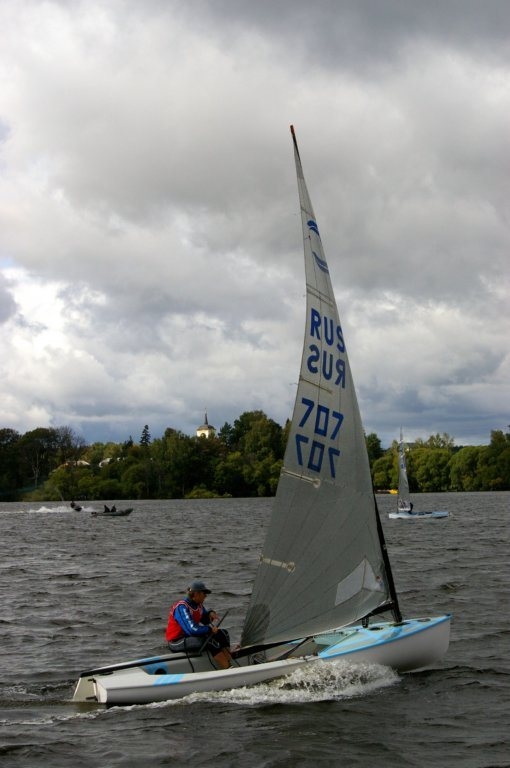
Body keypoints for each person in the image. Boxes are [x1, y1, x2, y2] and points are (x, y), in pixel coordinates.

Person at [165, 580, 232, 669]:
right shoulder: (182, 607)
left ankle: (230, 660)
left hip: (190, 638)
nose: (206, 596)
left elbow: (205, 620)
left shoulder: (199, 605)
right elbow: (191, 630)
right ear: (196, 594)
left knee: (223, 633)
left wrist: (210, 613)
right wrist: (209, 629)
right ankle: (228, 668)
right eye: (204, 593)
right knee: (209, 640)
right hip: (176, 642)